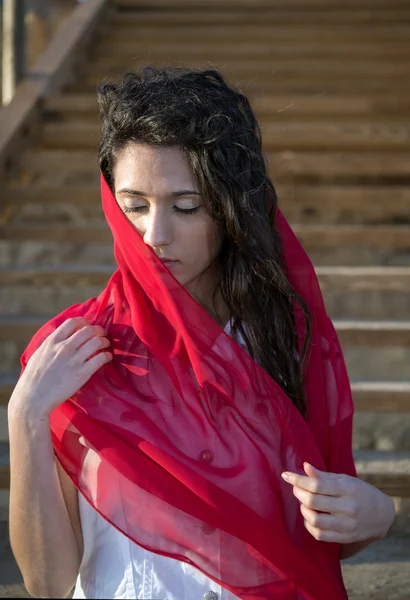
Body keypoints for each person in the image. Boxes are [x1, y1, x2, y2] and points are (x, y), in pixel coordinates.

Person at [8, 67, 395, 600]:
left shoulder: (284, 338)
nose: (155, 235)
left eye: (186, 206)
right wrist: (26, 416)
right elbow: (47, 584)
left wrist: (376, 514)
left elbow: (321, 530)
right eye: (134, 206)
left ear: (231, 206)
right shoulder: (75, 354)